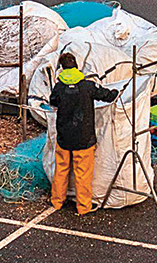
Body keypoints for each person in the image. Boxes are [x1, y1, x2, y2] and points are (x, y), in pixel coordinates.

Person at [48, 53, 120, 215]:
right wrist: (118, 91)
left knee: (61, 170)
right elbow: (108, 96)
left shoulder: (59, 87)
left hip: (64, 138)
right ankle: (83, 207)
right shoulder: (88, 86)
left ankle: (57, 202)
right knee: (83, 174)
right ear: (76, 66)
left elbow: (53, 101)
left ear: (61, 68)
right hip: (84, 137)